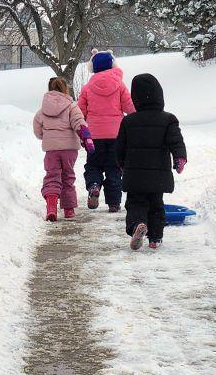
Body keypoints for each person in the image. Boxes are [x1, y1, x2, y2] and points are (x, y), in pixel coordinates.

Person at [116, 73, 187, 250]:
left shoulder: (128, 121)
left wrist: (121, 165)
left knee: (135, 203)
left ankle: (137, 225)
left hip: (135, 174)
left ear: (135, 98)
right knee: (156, 205)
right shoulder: (168, 119)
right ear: (159, 95)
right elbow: (176, 141)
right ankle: (155, 238)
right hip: (158, 174)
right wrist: (179, 158)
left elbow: (120, 147)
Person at [78, 49, 136, 212]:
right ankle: (114, 203)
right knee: (114, 168)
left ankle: (94, 185)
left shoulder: (88, 87)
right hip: (116, 135)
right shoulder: (119, 85)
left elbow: (80, 112)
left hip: (94, 135)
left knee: (94, 165)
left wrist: (81, 129)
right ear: (112, 65)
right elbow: (129, 107)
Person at [32, 77, 94, 221]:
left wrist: (46, 136)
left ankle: (51, 207)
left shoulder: (42, 110)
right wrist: (87, 138)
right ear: (65, 89)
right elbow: (79, 123)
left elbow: (37, 130)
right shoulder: (72, 106)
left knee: (52, 176)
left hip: (51, 150)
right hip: (69, 150)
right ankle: (69, 210)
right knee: (67, 177)